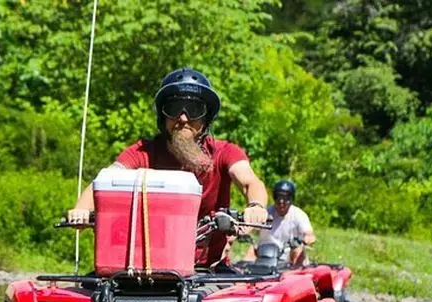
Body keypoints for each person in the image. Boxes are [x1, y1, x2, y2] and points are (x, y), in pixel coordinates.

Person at [67, 67, 269, 267]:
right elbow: (105, 181)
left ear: (206, 119)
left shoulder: (225, 152)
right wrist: (82, 210)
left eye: (194, 110)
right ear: (162, 118)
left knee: (240, 299)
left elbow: (248, 181)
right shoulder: (143, 153)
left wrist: (256, 206)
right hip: (145, 267)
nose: (183, 118)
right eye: (174, 109)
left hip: (208, 267)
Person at [245, 180, 316, 267]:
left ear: (291, 199)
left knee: (298, 250)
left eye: (285, 198)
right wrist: (242, 232)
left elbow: (309, 234)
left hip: (288, 253)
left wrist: (306, 239)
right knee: (252, 250)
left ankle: (297, 273)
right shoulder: (266, 213)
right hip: (265, 252)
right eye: (278, 198)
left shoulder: (298, 214)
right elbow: (251, 227)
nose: (281, 201)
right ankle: (244, 276)